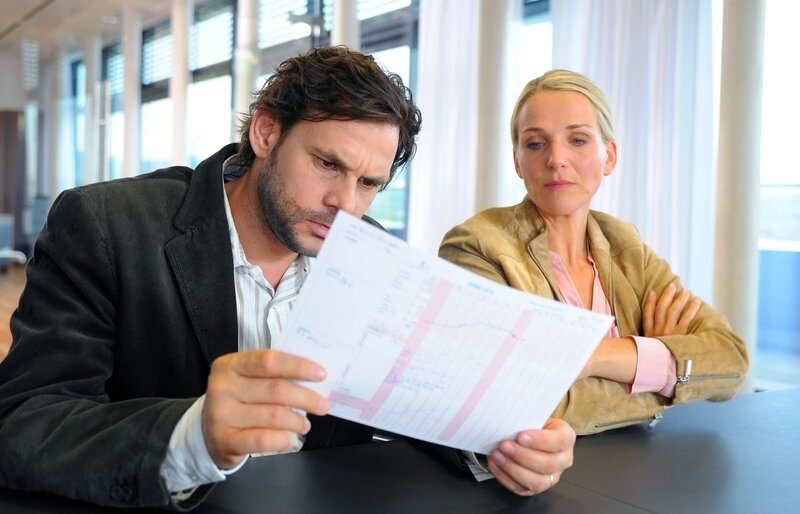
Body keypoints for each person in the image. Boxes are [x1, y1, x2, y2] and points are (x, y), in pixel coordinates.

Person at [0, 47, 574, 509]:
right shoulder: (106, 225)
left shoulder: (369, 252)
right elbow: (22, 424)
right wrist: (192, 434)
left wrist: (501, 445)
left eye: (370, 183)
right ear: (267, 134)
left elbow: (410, 402)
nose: (345, 205)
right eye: (328, 165)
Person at [439, 69, 748, 435]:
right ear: (518, 161)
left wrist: (591, 356)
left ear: (609, 156)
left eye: (578, 140)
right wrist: (658, 366)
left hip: (635, 472)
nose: (556, 159)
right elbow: (516, 402)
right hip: (526, 478)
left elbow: (731, 362)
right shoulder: (478, 247)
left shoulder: (625, 246)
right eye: (536, 143)